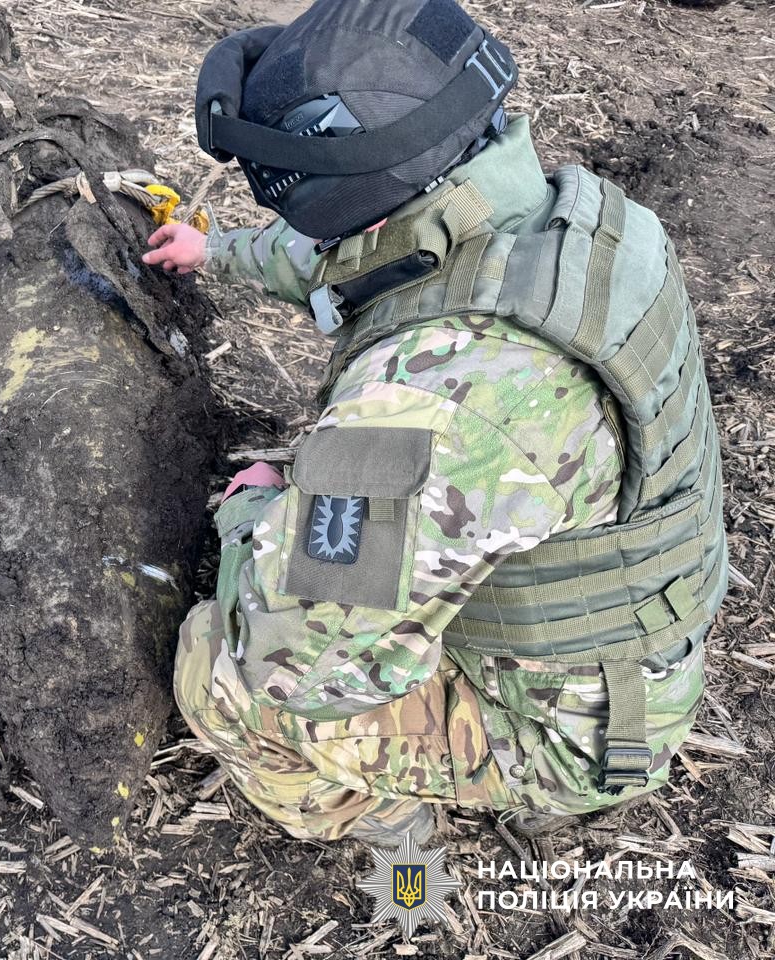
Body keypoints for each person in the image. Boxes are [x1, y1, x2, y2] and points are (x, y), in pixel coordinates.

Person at [143, 0, 726, 846]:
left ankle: (394, 828)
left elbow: (296, 663)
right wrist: (216, 250)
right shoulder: (565, 220)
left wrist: (252, 516)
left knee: (217, 672)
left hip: (577, 734)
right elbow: (351, 260)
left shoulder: (425, 409)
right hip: (631, 653)